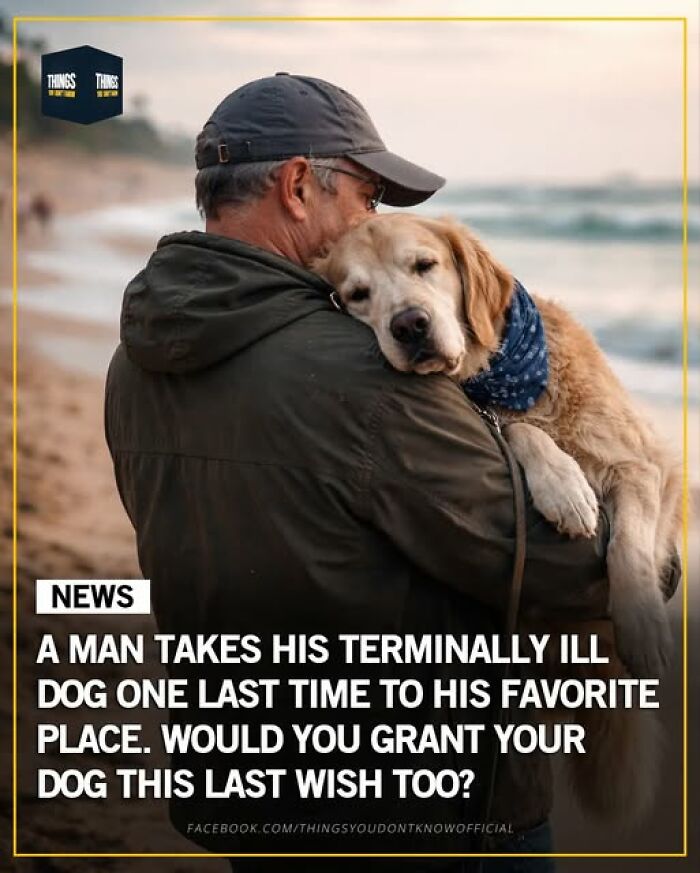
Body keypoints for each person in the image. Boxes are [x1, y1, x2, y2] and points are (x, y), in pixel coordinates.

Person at [105, 74, 611, 872]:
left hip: (249, 791)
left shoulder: (134, 362)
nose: (374, 220)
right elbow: (570, 565)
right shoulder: (366, 376)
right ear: (299, 185)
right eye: (369, 195)